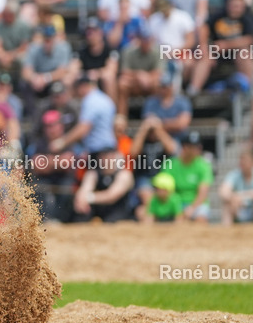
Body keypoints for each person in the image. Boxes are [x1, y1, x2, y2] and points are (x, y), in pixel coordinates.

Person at [130, 75, 191, 207]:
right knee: (146, 194)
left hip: (164, 175)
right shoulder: (151, 103)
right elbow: (132, 153)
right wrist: (144, 128)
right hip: (146, 177)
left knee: (163, 189)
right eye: (161, 86)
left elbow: (174, 151)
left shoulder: (165, 137)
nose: (163, 89)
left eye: (166, 86)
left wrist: (159, 127)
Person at [187, 0, 253, 95]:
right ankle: (193, 91)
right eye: (232, 4)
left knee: (244, 54)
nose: (234, 8)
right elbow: (204, 29)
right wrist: (203, 46)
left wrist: (227, 45)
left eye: (237, 5)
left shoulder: (247, 19)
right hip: (217, 55)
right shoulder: (218, 16)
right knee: (205, 58)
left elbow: (249, 39)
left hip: (237, 55)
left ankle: (250, 93)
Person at [25, 110, 77, 222]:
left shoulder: (68, 140)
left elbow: (67, 163)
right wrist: (57, 161)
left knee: (67, 188)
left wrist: (46, 162)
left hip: (64, 180)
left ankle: (62, 220)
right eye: (47, 126)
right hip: (45, 180)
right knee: (38, 186)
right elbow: (36, 165)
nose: (51, 129)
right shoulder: (40, 143)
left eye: (53, 125)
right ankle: (46, 220)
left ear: (61, 126)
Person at [50, 77, 116, 157]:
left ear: (82, 87)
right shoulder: (105, 98)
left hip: (100, 151)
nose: (77, 93)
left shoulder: (90, 101)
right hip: (109, 147)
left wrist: (62, 142)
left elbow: (83, 128)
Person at [21, 25, 74, 115]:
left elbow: (63, 71)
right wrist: (34, 78)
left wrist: (46, 78)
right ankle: (34, 115)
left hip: (54, 81)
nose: (48, 42)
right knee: (24, 84)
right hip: (38, 82)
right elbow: (25, 72)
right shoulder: (34, 48)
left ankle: (63, 114)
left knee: (66, 80)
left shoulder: (63, 47)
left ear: (54, 39)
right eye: (46, 39)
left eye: (50, 39)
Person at [163, 131, 213, 223]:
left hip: (196, 204)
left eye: (198, 146)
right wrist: (177, 207)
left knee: (201, 219)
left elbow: (203, 193)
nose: (198, 149)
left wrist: (192, 208)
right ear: (185, 147)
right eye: (193, 147)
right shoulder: (171, 164)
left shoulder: (203, 165)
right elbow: (164, 189)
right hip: (176, 202)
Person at [73, 148, 134, 222]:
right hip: (97, 214)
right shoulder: (93, 174)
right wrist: (81, 200)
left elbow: (111, 196)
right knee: (81, 213)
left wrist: (87, 198)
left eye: (108, 154)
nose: (105, 158)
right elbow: (84, 190)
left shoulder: (124, 175)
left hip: (117, 216)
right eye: (102, 155)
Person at [116, 24, 165, 114]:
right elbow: (124, 72)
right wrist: (139, 75)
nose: (146, 42)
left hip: (150, 83)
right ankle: (121, 117)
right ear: (138, 39)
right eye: (143, 39)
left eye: (147, 39)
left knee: (157, 83)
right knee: (122, 83)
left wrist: (147, 77)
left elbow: (159, 73)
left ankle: (155, 116)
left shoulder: (157, 51)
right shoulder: (128, 50)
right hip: (134, 83)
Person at [71, 18, 119, 103]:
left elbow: (111, 70)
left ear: (100, 32)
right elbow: (73, 69)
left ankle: (112, 112)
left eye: (94, 31)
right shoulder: (82, 51)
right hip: (85, 81)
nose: (91, 35)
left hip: (102, 81)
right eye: (89, 32)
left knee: (109, 78)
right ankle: (72, 112)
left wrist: (96, 74)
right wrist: (85, 75)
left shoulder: (109, 50)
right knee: (70, 79)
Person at [0, 0, 33, 82]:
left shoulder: (24, 25)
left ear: (14, 14)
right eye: (4, 14)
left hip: (18, 53)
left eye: (8, 14)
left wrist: (10, 56)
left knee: (24, 59)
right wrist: (2, 55)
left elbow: (24, 47)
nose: (5, 16)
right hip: (3, 53)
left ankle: (22, 84)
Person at [219, 149, 253, 226]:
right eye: (241, 160)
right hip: (238, 209)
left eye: (245, 160)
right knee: (227, 204)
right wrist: (232, 198)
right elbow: (223, 191)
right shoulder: (234, 175)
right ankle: (227, 232)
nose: (242, 162)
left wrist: (240, 197)